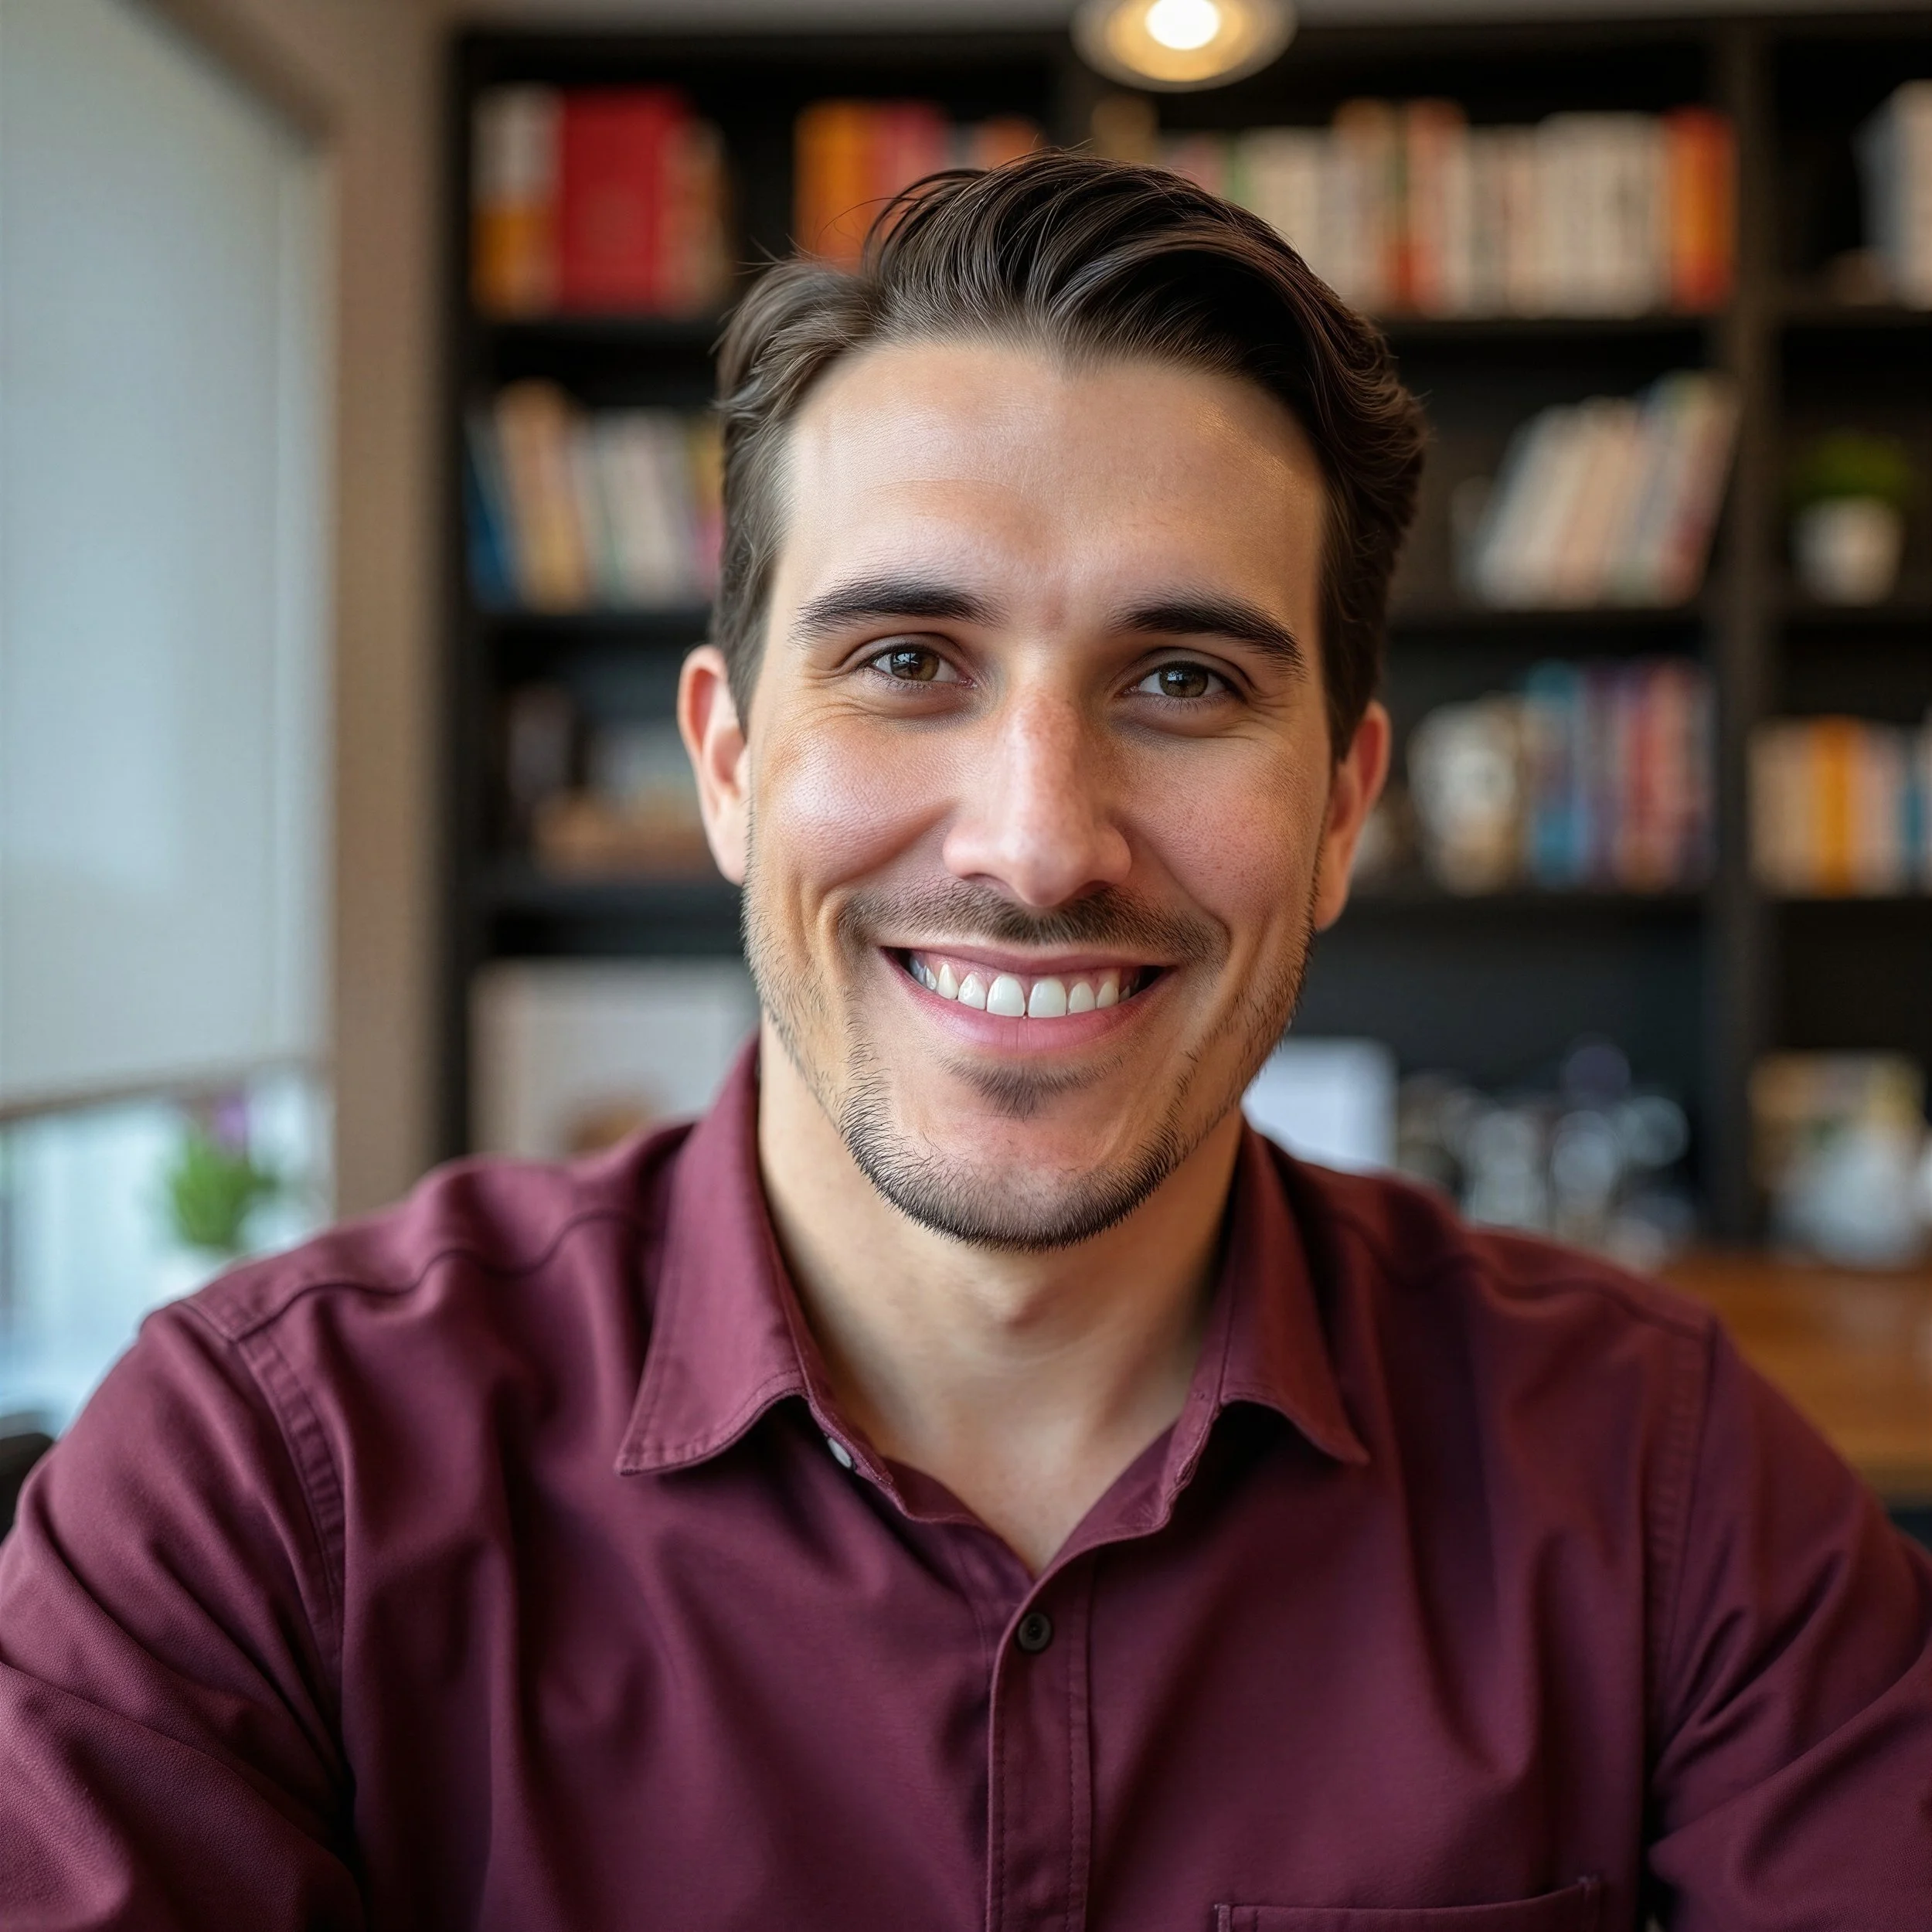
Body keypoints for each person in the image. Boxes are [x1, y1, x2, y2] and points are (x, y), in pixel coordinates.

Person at [2, 153, 1927, 1931]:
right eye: (905, 662)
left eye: (1181, 680)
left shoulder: (1676, 1495)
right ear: (730, 762)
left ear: (1340, 811)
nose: (1033, 840)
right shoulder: (259, 1488)